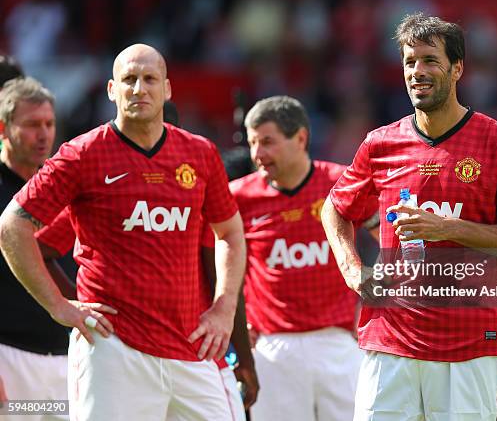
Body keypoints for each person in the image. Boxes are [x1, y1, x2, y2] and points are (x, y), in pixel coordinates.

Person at [0, 44, 246, 420]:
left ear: (167, 89)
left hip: (191, 348)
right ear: (112, 90)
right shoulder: (81, 155)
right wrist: (59, 306)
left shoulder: (200, 154)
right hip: (113, 350)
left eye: (149, 79)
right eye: (129, 79)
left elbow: (229, 231)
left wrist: (224, 309)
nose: (139, 88)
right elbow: (11, 225)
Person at [320, 13, 497, 420]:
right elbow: (335, 209)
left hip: (470, 346)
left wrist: (447, 228)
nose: (417, 72)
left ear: (457, 68)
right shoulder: (380, 143)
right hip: (389, 340)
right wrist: (353, 269)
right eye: (410, 62)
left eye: (429, 60)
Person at [229, 95, 378, 421]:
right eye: (253, 142)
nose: (257, 154)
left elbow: (389, 236)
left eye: (267, 142)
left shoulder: (341, 184)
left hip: (338, 342)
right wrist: (237, 328)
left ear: (300, 138)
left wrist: (381, 301)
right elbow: (219, 265)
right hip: (272, 348)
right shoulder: (238, 197)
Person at [0, 76, 73, 420]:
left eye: (49, 123)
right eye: (31, 125)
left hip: (67, 359)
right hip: (10, 359)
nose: (43, 134)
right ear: (3, 127)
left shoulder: (64, 187)